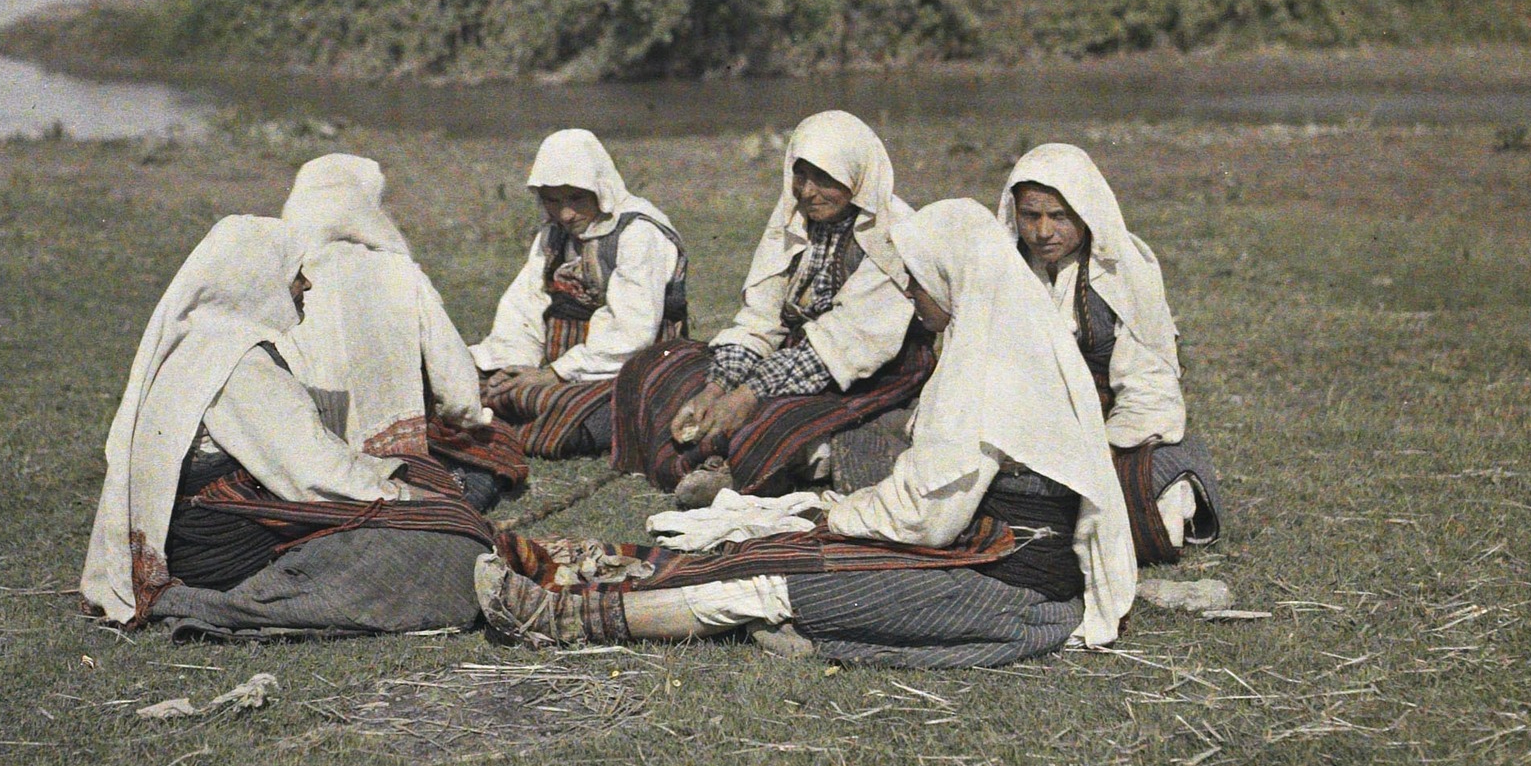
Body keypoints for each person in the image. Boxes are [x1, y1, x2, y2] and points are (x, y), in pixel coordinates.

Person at [476, 200, 1139, 667]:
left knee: (789, 578)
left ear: (950, 274)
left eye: (916, 280)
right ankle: (584, 575)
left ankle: (574, 617)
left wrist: (834, 515)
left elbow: (928, 517)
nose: (912, 295)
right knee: (785, 551)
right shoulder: (1001, 339)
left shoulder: (991, 365)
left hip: (1008, 590)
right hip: (982, 552)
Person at [78, 215, 504, 641]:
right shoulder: (239, 366)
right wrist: (403, 496)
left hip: (211, 538)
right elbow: (314, 474)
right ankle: (237, 603)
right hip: (226, 556)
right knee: (448, 544)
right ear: (259, 281)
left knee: (434, 504)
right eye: (296, 274)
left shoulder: (201, 343)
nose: (308, 285)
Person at [611, 110, 932, 504]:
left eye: (824, 178)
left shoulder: (893, 233)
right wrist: (716, 388)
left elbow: (841, 347)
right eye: (801, 175)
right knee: (660, 368)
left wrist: (747, 395)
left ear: (856, 176)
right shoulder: (796, 217)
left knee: (771, 420)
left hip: (864, 366)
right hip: (792, 357)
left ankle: (741, 470)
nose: (807, 191)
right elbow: (761, 317)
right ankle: (727, 455)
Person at [999, 143, 1222, 565]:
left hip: (1109, 435)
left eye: (1059, 216)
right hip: (1022, 428)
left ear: (1085, 212)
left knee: (1154, 490)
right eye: (1030, 216)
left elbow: (1148, 385)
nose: (1043, 231)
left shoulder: (1123, 271)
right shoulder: (1001, 270)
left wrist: (1100, 450)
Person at [278, 153, 524, 511]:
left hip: (306, 453)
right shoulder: (398, 272)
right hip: (395, 454)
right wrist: (469, 418)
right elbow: (454, 381)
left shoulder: (282, 279)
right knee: (496, 444)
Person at [470, 130, 688, 459]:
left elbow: (632, 332)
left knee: (571, 414)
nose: (565, 214)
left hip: (627, 365)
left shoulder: (639, 232)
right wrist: (513, 366)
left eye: (576, 199)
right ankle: (511, 414)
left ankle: (513, 426)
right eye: (552, 201)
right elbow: (526, 305)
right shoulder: (554, 233)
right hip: (560, 362)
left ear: (600, 188)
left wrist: (554, 374)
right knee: (468, 381)